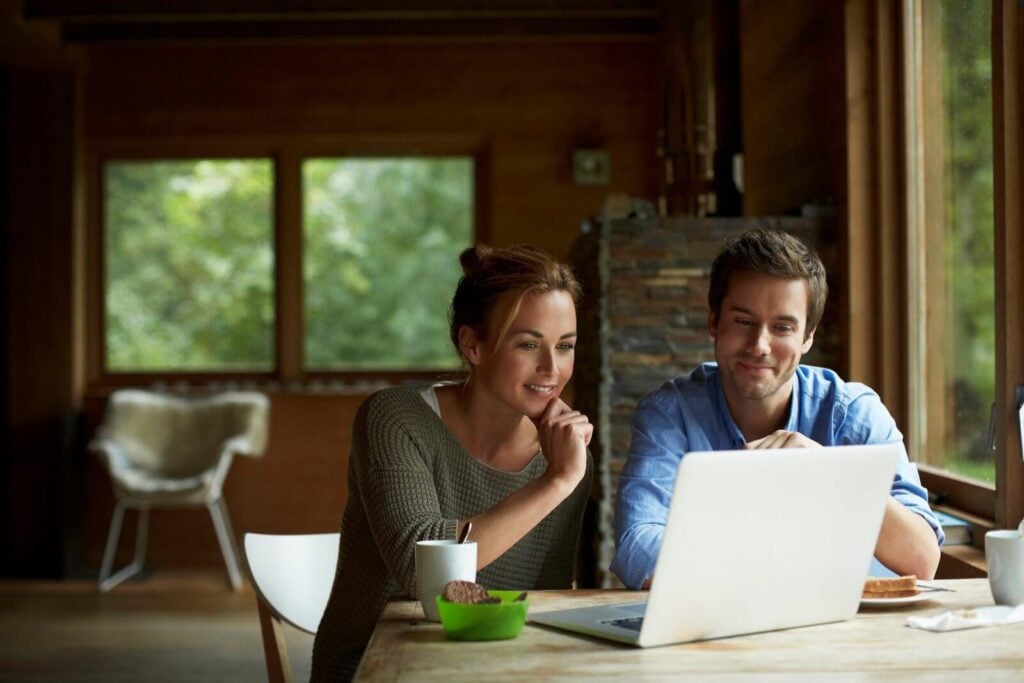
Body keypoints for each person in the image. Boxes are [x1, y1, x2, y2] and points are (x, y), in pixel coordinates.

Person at [311, 244, 594, 681]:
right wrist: (557, 482)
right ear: (472, 346)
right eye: (528, 344)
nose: (551, 368)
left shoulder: (566, 456)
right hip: (376, 668)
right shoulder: (395, 418)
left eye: (565, 346)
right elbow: (418, 567)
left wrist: (563, 473)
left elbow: (541, 599)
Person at [610, 228, 943, 591]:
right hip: (717, 630)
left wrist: (832, 472)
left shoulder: (854, 414)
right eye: (743, 321)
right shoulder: (669, 414)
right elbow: (637, 542)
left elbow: (922, 558)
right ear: (713, 322)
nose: (760, 345)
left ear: (808, 337)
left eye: (782, 327)